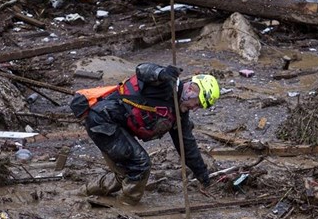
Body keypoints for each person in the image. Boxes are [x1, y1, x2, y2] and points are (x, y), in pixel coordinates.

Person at [80, 62, 220, 204]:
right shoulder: (164, 85)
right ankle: (127, 205)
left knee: (127, 172)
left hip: (114, 126)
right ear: (191, 90)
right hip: (103, 122)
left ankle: (84, 192)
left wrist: (203, 176)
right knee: (140, 165)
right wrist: (161, 73)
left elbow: (187, 145)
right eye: (197, 103)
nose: (195, 109)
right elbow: (143, 70)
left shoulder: (179, 114)